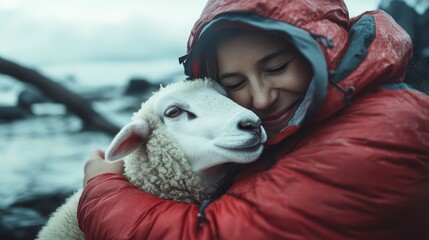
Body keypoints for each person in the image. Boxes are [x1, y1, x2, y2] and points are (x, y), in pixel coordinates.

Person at [78, 0, 429, 239]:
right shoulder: (295, 131)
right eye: (233, 84)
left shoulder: (384, 129)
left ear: (325, 49)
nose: (261, 99)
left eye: (277, 68)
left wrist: (101, 190)